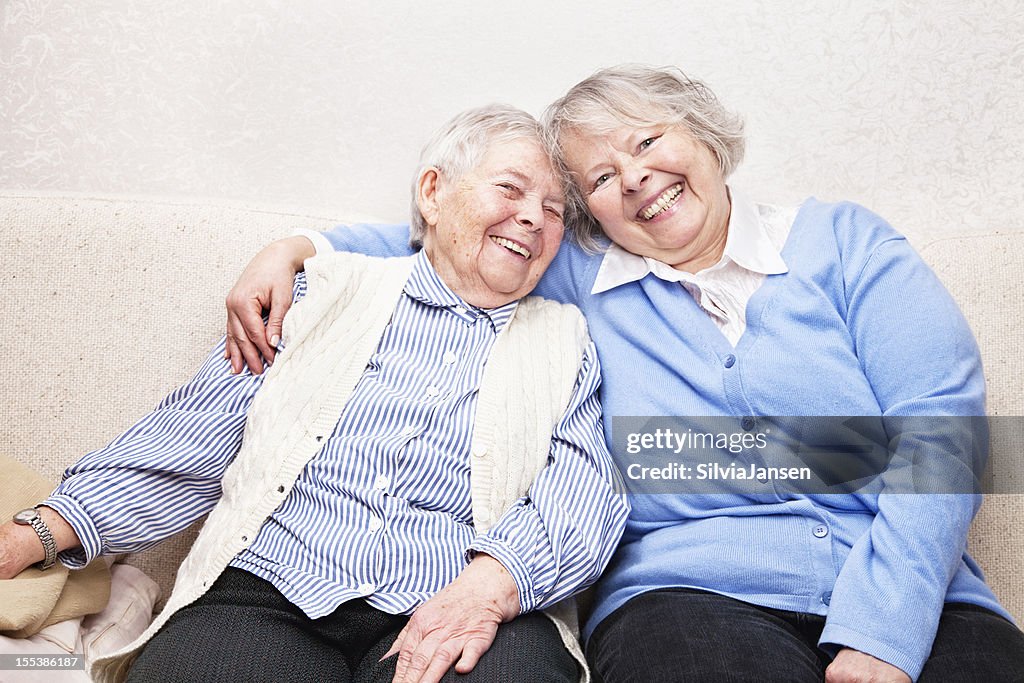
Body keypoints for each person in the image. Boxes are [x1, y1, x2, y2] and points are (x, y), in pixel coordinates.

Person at [221, 65, 1024, 682]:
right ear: (588, 213)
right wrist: (303, 249)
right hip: (688, 597)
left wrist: (885, 630)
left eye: (647, 143)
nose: (634, 177)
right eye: (601, 178)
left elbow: (946, 433)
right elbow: (453, 245)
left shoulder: (845, 244)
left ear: (705, 136)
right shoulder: (575, 277)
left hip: (912, 589)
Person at [0, 104, 629, 683]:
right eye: (511, 189)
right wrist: (40, 532)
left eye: (554, 210)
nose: (532, 217)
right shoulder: (321, 294)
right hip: (269, 591)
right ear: (433, 194)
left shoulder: (563, 342)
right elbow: (189, 443)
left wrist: (493, 585)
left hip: (460, 601)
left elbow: (584, 496)